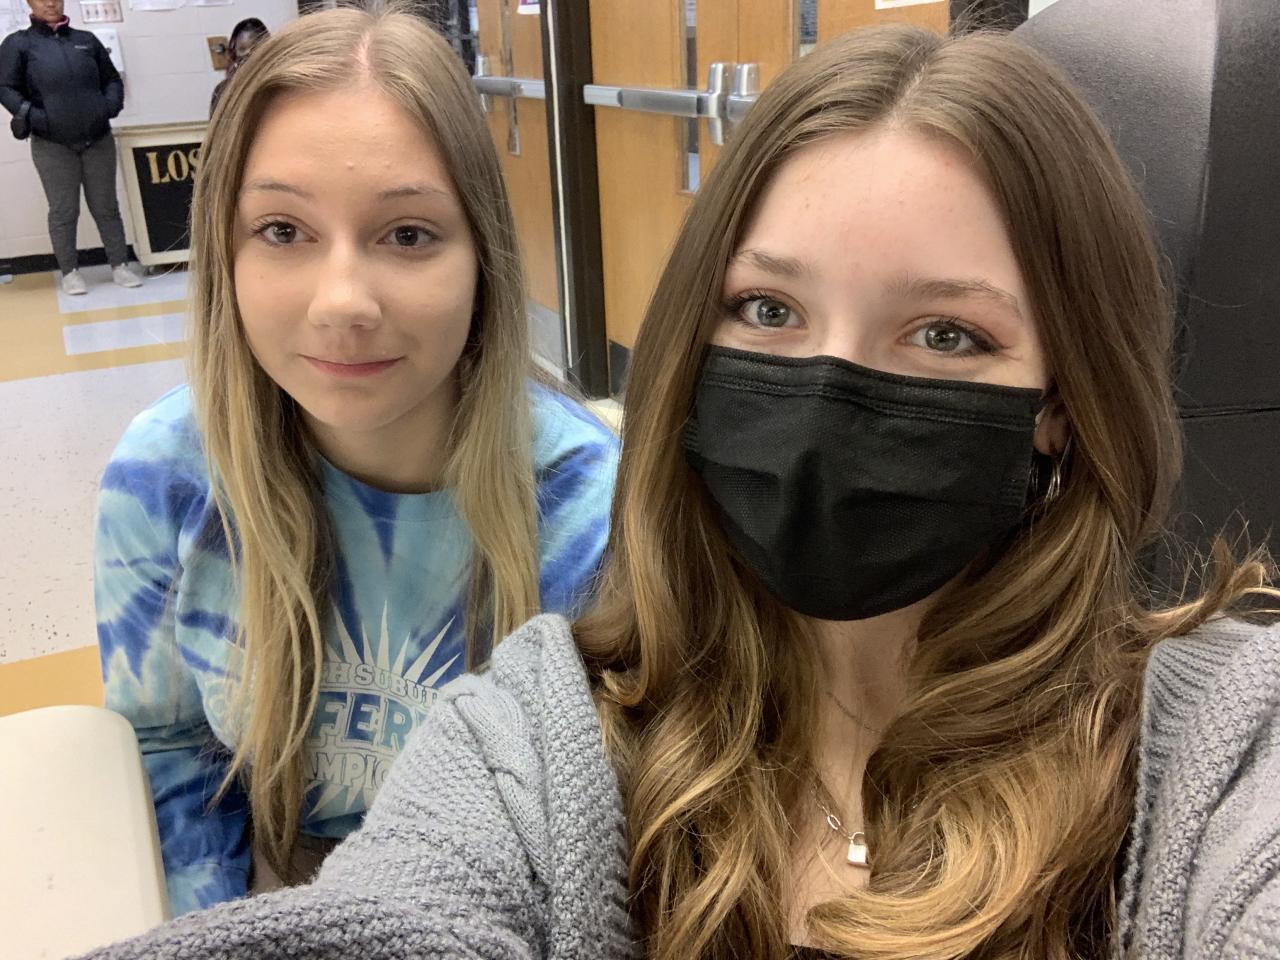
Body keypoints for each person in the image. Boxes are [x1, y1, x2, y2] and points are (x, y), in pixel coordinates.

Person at [85, 22, 1279, 960]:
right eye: (766, 309)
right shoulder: (556, 731)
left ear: (1065, 397)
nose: (343, 302)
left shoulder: (1219, 757)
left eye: (945, 335)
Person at [92, 6, 617, 919]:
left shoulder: (590, 505)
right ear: (224, 252)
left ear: (483, 258)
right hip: (274, 884)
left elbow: (609, 817)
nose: (342, 303)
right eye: (282, 231)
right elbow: (167, 745)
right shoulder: (164, 477)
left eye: (407, 234)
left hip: (502, 903)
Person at [0, 0, 143, 295]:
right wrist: (35, 116)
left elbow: (111, 80)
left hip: (98, 139)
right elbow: (5, 88)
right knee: (64, 210)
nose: (50, 3)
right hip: (52, 144)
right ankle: (70, 273)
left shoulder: (86, 40)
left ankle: (120, 265)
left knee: (106, 206)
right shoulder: (18, 44)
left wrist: (108, 107)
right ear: (29, 3)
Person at [209, 18, 268, 117]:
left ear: (267, 50)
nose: (248, 53)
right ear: (234, 52)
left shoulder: (276, 87)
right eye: (242, 49)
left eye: (255, 48)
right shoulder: (222, 91)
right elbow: (216, 125)